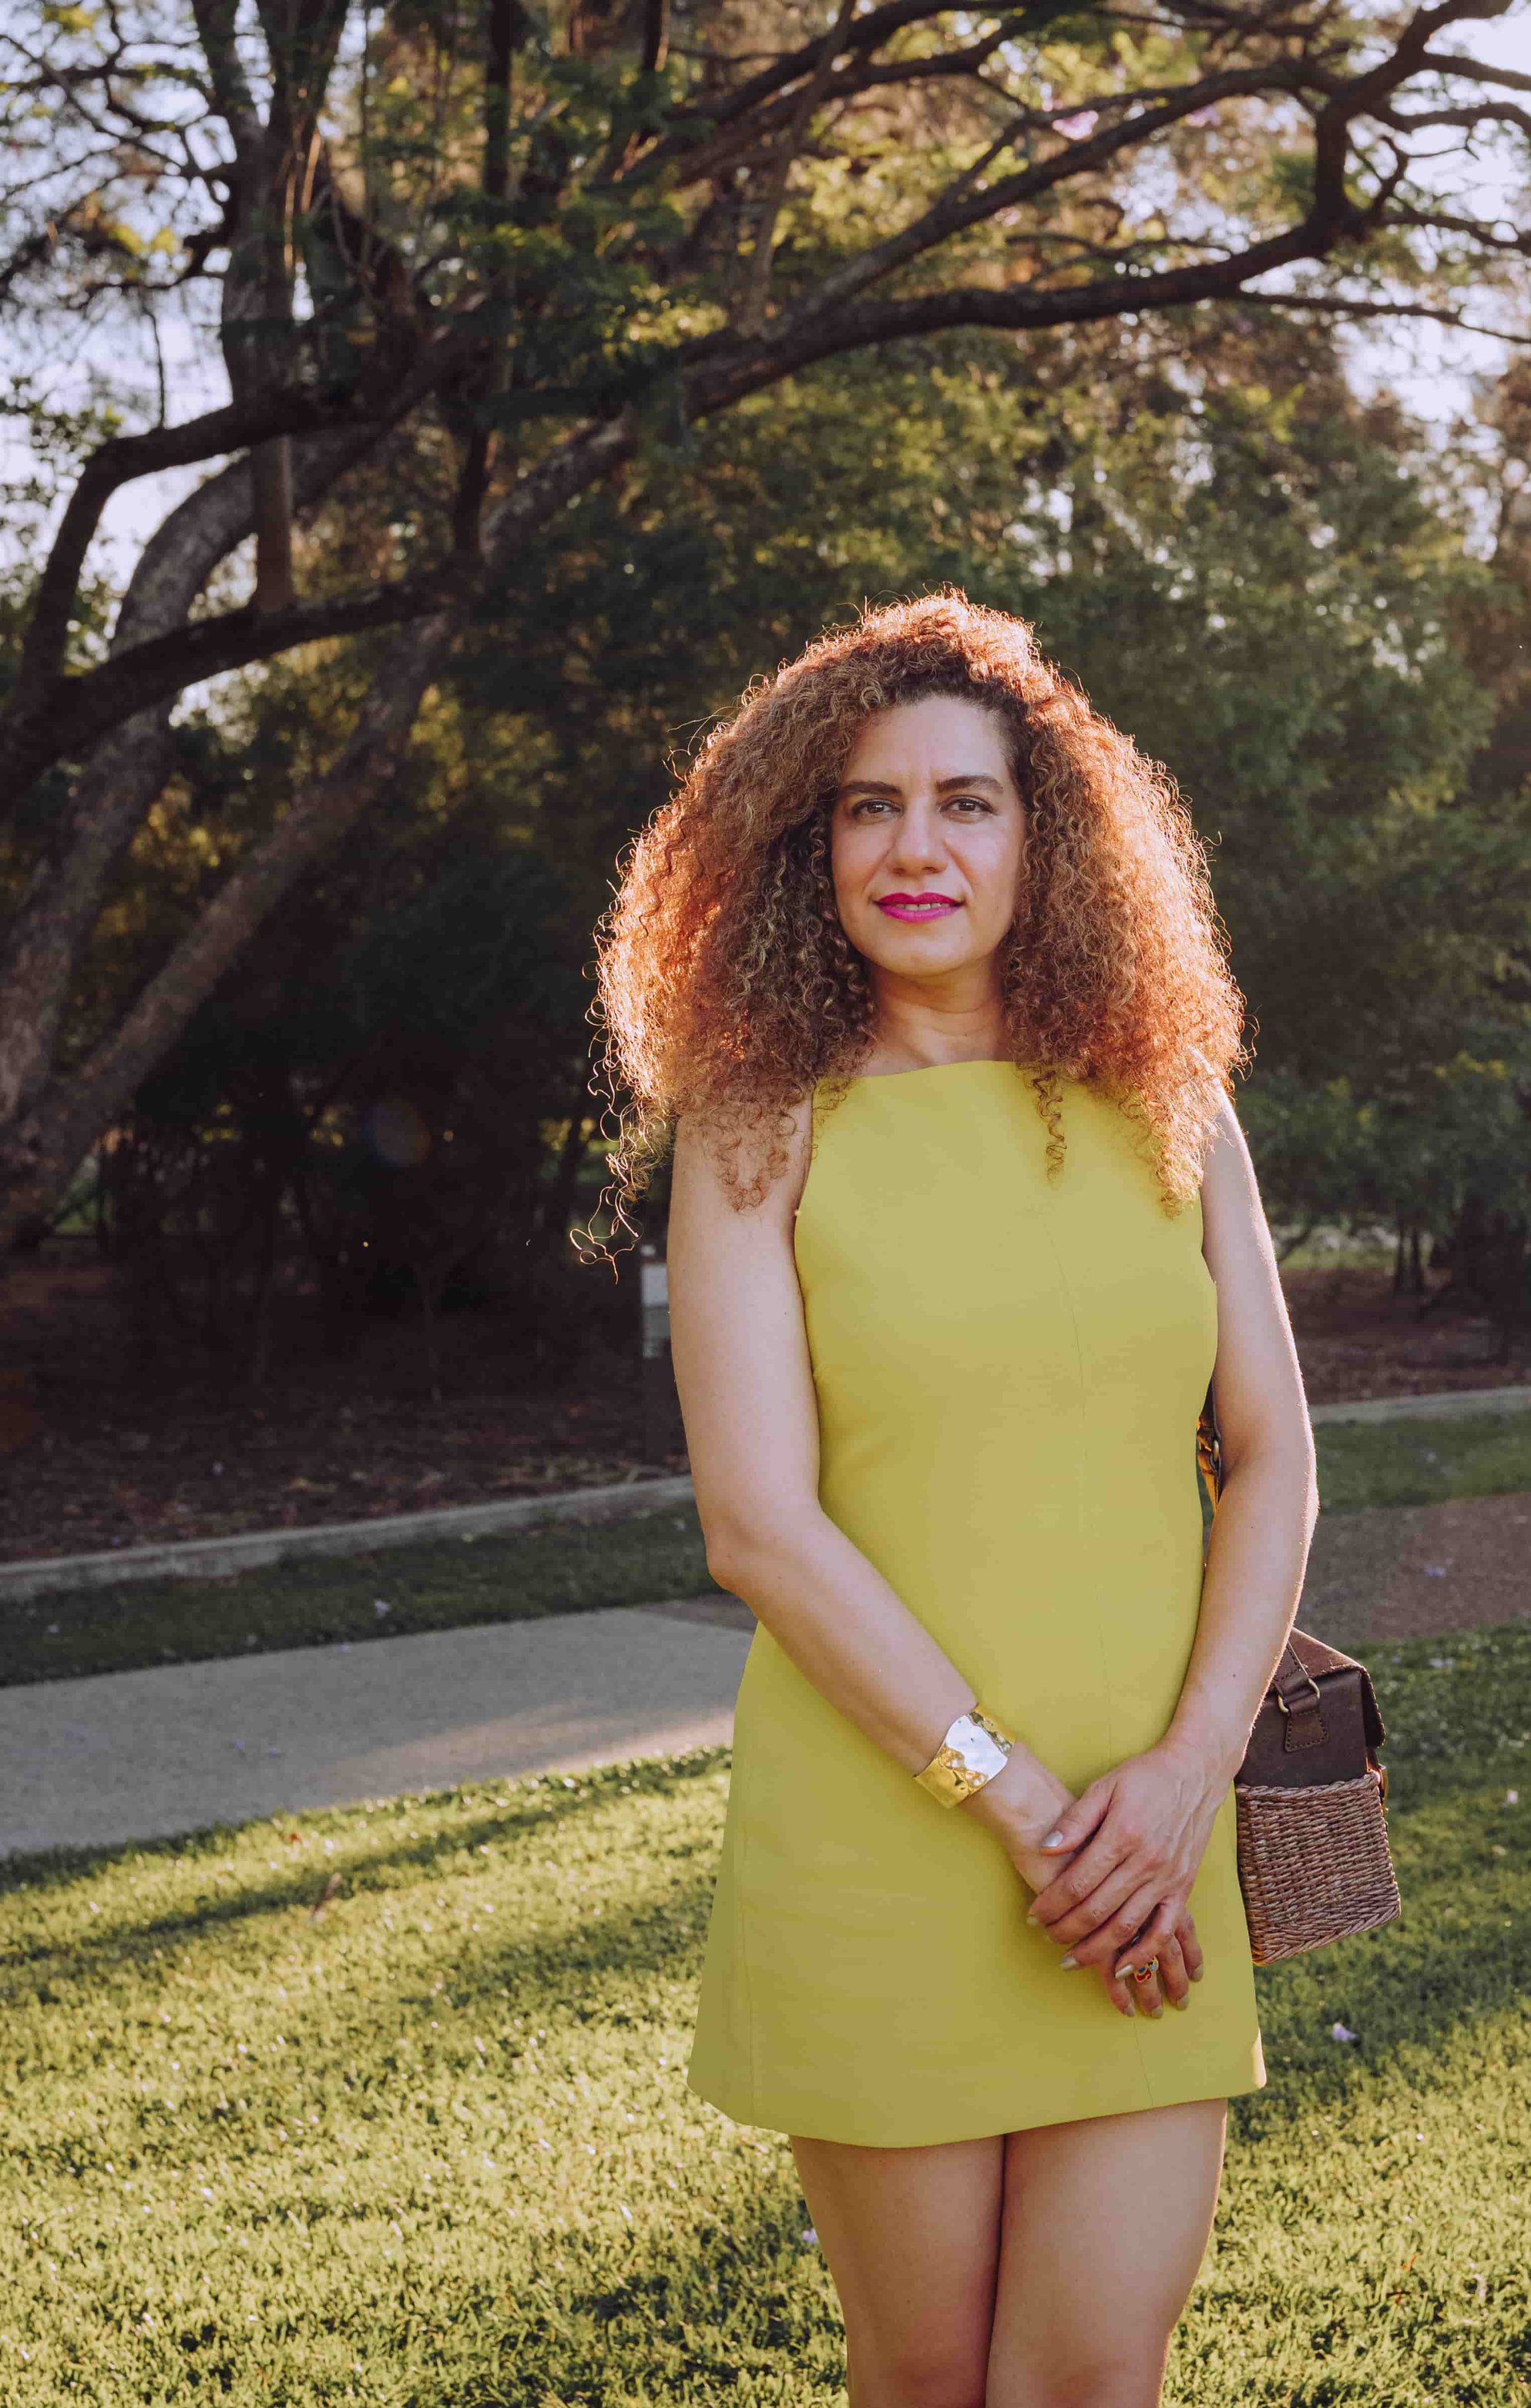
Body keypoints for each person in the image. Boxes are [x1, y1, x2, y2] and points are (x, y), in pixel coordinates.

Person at [599, 593, 1318, 2406]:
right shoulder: (754, 1120)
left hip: (1154, 1848)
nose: (913, 846)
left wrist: (1175, 1787)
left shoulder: (1171, 1098)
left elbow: (1274, 1457)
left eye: (965, 802)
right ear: (802, 850)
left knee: (1090, 2377)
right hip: (892, 1841)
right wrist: (1016, 1810)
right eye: (864, 807)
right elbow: (754, 1524)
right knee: (921, 2385)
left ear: (1043, 835)